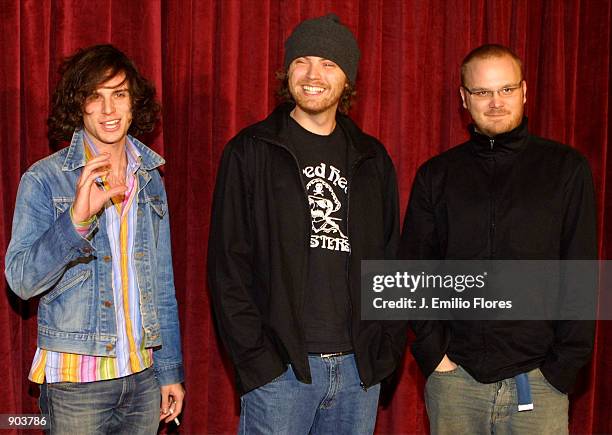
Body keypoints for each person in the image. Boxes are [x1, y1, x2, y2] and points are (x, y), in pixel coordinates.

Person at [208, 14, 406, 434]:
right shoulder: (251, 152)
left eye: (329, 64)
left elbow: (392, 262)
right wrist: (259, 363)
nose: (314, 75)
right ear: (287, 70)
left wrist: (384, 353)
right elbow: (228, 267)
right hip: (282, 374)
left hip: (358, 374)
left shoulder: (373, 160)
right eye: (303, 60)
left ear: (347, 79)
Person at [400, 44, 597, 434]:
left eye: (506, 89)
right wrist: (433, 355)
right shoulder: (436, 175)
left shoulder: (566, 169)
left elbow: (583, 274)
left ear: (524, 91)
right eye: (482, 92)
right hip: (455, 382)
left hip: (540, 384)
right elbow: (411, 271)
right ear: (464, 98)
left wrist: (562, 367)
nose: (495, 103)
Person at [5, 44, 184, 434]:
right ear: (79, 106)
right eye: (95, 97)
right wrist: (76, 220)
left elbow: (161, 282)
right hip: (76, 382)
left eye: (118, 95)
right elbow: (20, 280)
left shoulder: (150, 178)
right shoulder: (45, 179)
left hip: (142, 376)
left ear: (133, 104)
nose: (108, 110)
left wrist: (170, 370)